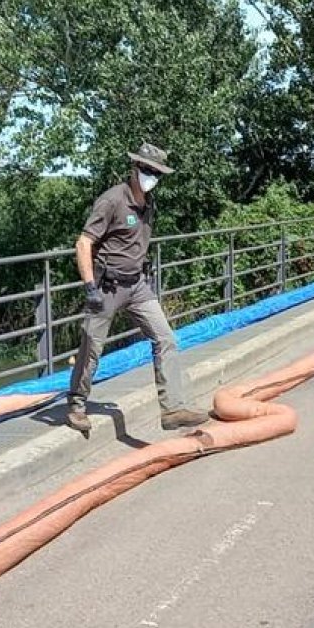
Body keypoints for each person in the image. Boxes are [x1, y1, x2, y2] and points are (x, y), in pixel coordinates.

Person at [66, 143, 210, 433]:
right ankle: (77, 403)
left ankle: (172, 409)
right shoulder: (112, 201)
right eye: (146, 169)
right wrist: (90, 287)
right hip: (106, 286)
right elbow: (83, 243)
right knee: (92, 346)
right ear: (134, 168)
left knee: (166, 338)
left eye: (156, 172)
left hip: (138, 285)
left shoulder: (149, 202)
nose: (150, 175)